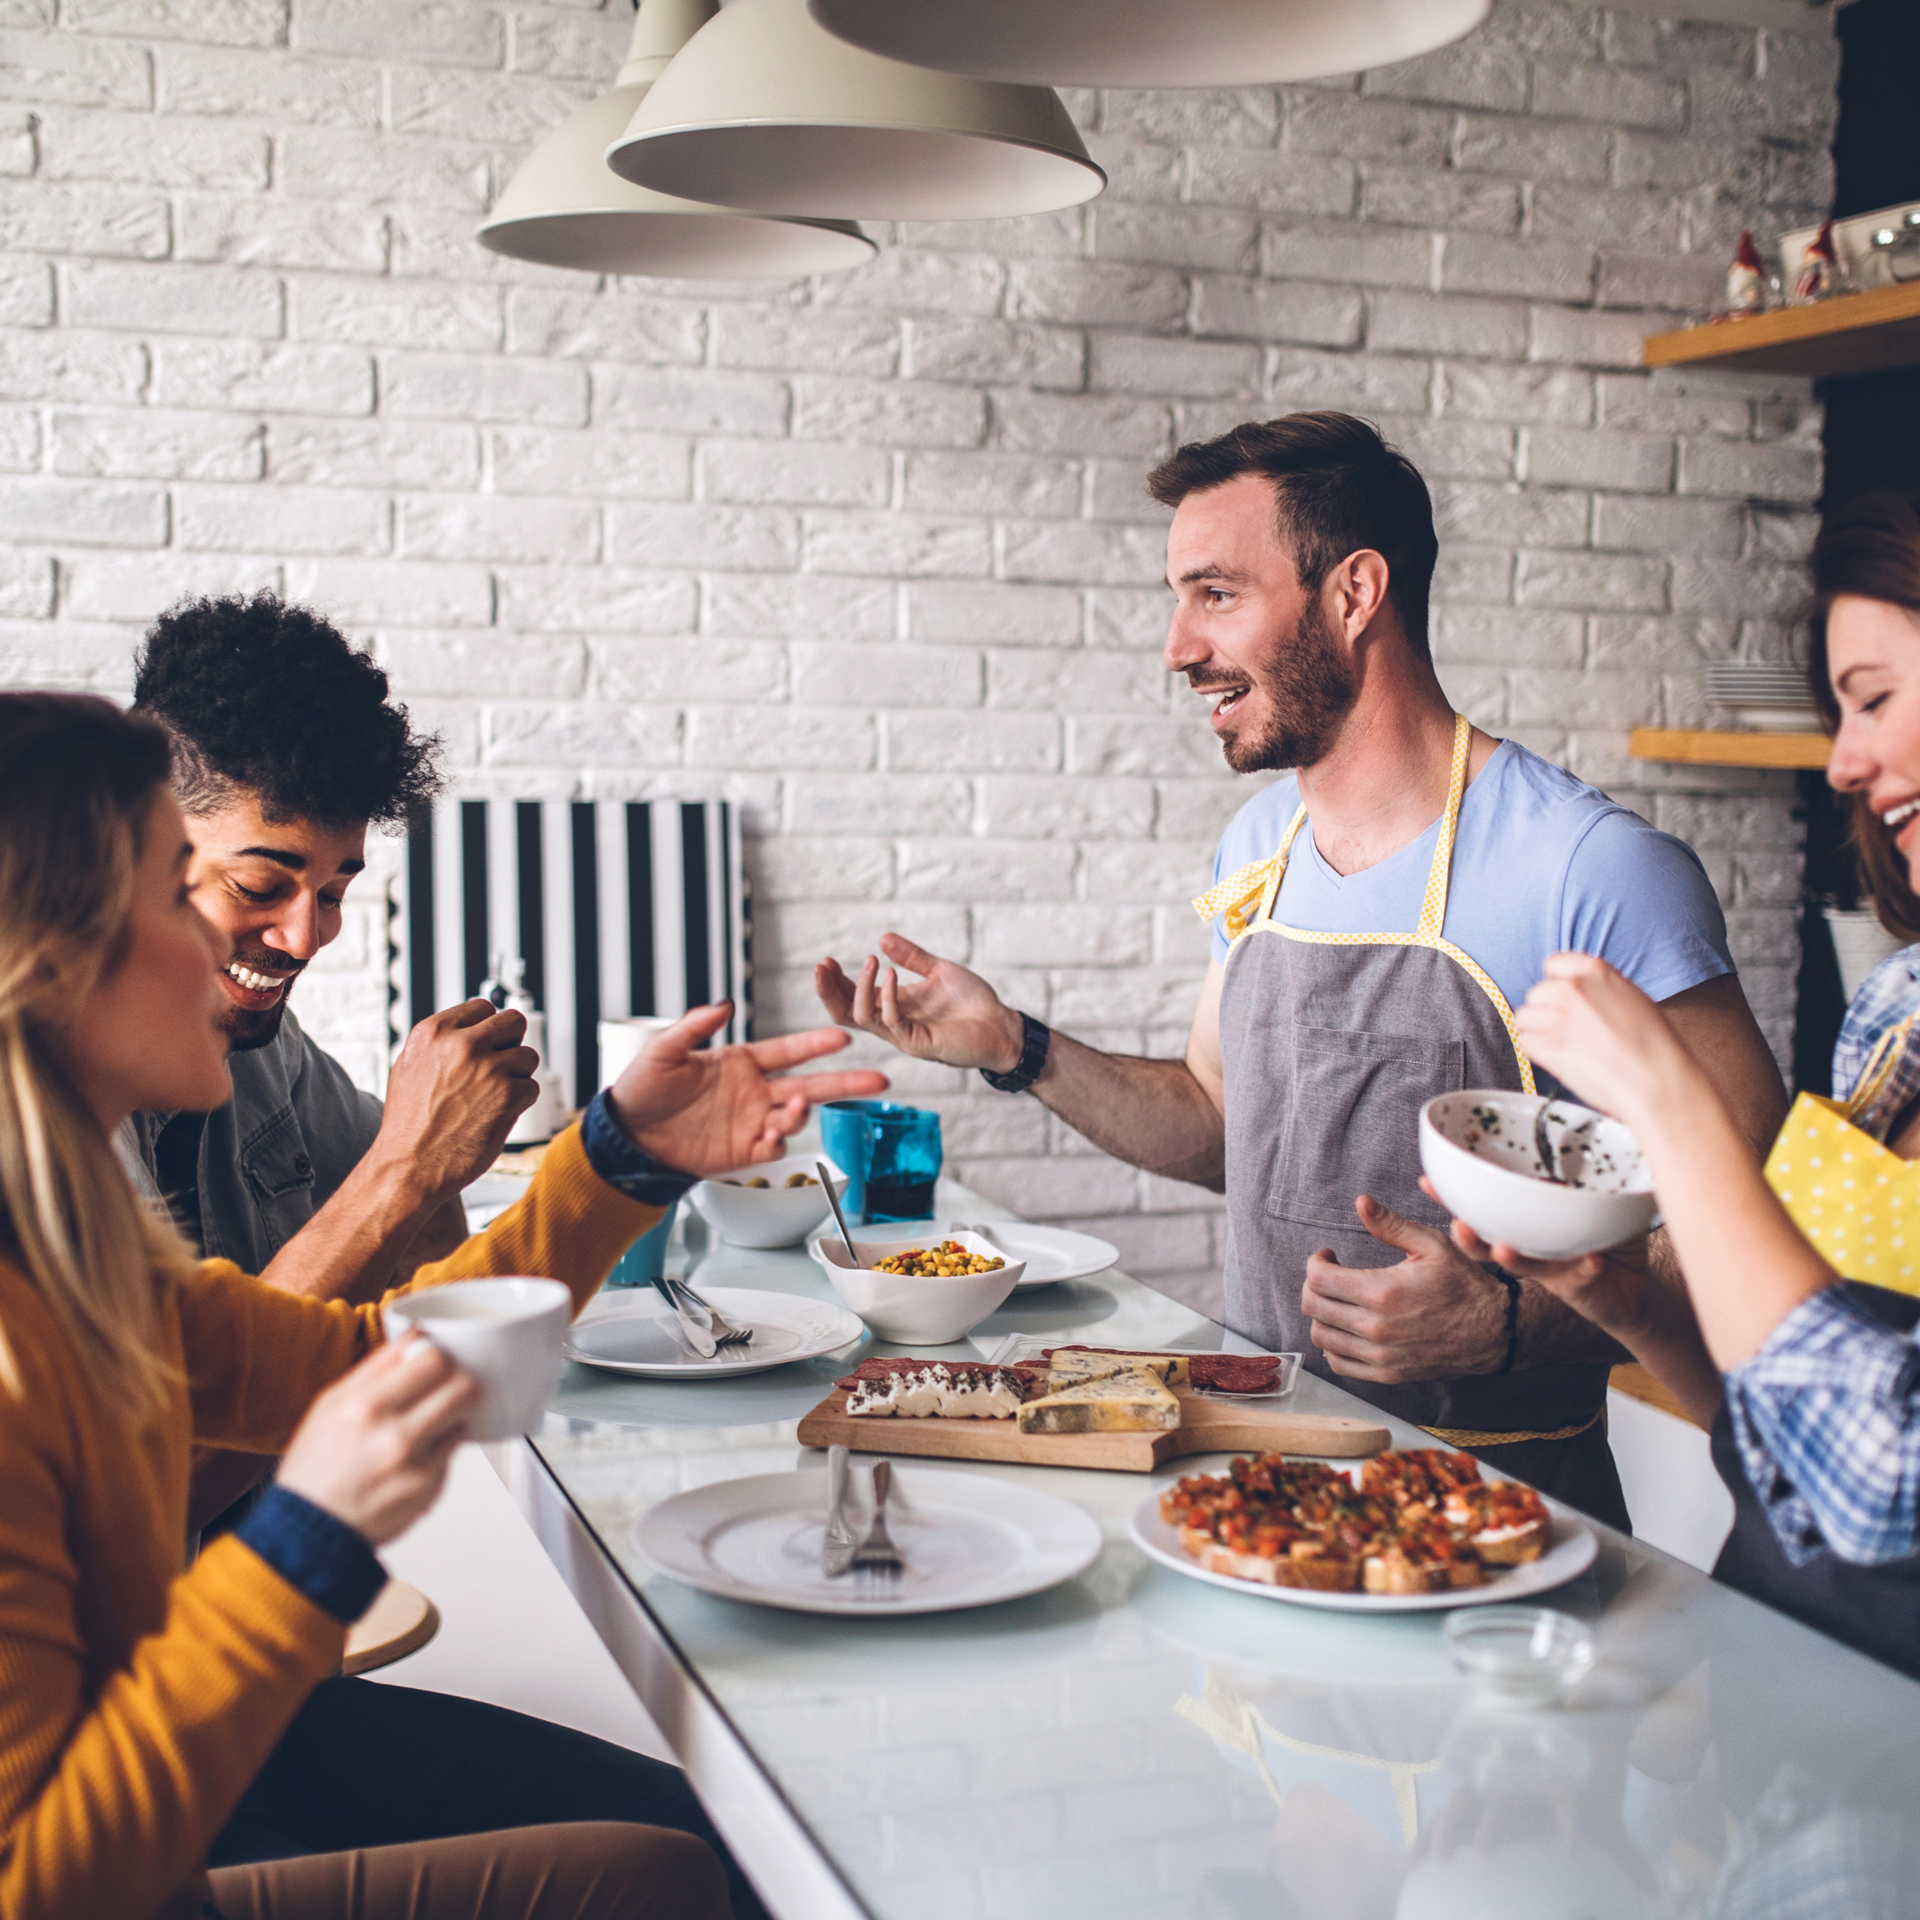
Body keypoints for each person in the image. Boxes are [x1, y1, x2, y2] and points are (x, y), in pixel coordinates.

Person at [0, 690, 888, 1919]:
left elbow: (368, 1348)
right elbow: (45, 1882)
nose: (267, 938)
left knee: (709, 1847)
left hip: (180, 1762)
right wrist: (305, 1540)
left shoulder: (87, 1264)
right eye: (174, 892)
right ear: (52, 960)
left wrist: (618, 1156)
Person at [817, 412, 1786, 1527]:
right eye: (1178, 599)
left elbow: (1751, 1230)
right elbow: (1224, 1122)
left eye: (1216, 594)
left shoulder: (1590, 867)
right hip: (1268, 1493)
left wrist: (1511, 1320)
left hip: (1508, 1525)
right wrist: (1015, 1049)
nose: (1178, 647)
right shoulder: (1259, 849)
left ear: (1354, 593)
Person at [1438, 491, 1920, 1679]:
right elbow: (1787, 1446)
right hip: (1771, 1699)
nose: (1845, 762)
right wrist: (1633, 1307)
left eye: (1874, 698)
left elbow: (1887, 1486)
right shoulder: (1898, 1012)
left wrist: (1672, 1108)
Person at [122, 594, 535, 1534]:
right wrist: (405, 1165)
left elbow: (436, 1274)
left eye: (335, 889)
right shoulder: (37, 1090)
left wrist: (449, 1150)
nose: (309, 936)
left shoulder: (255, 1040)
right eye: (261, 886)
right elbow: (146, 1492)